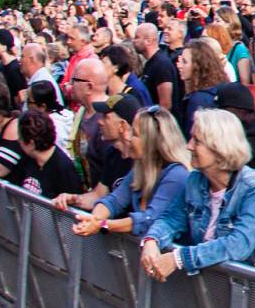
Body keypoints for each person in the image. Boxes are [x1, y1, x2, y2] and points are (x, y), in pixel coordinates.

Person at [141, 108, 255, 280]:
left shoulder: (253, 187)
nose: (189, 146)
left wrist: (178, 258)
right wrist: (152, 240)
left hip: (243, 292)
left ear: (219, 148)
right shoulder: (195, 180)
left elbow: (239, 245)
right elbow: (172, 219)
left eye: (197, 141)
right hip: (208, 287)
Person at [58, 100, 191, 239]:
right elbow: (114, 200)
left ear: (151, 141)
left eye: (134, 134)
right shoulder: (140, 168)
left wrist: (102, 224)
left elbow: (148, 220)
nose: (129, 137)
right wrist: (94, 219)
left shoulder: (177, 175)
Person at [7, 109, 86, 199]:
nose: (18, 141)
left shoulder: (63, 168)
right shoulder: (27, 158)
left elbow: (72, 203)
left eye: (20, 138)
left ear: (31, 144)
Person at [176, 37, 228, 136]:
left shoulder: (199, 99)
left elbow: (192, 135)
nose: (179, 65)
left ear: (198, 66)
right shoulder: (216, 88)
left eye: (184, 61)